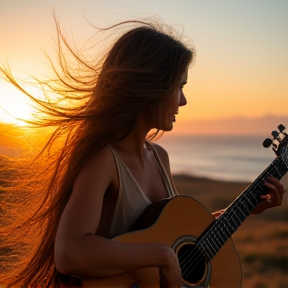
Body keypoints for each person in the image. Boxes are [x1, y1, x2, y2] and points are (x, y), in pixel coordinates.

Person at [0, 18, 285, 288]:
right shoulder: (104, 160)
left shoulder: (160, 157)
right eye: (179, 87)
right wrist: (159, 256)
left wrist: (247, 208)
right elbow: (70, 252)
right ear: (151, 86)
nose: (183, 101)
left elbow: (168, 238)